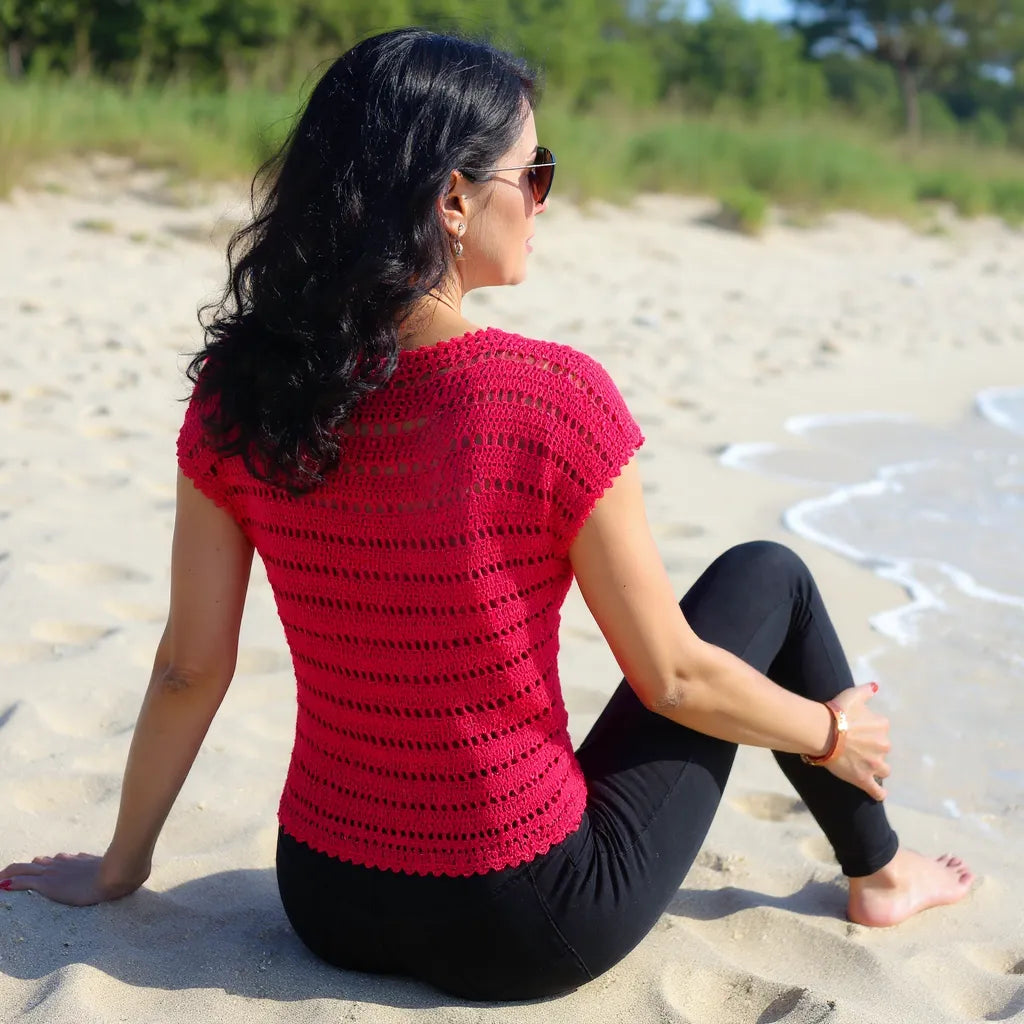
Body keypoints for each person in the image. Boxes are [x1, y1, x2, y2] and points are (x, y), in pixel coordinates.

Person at [0, 27, 972, 1002]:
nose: (544, 199)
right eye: (534, 173)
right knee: (769, 576)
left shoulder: (240, 392)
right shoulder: (550, 397)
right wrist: (828, 733)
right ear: (453, 200)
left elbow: (188, 666)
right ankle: (881, 873)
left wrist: (118, 867)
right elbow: (673, 677)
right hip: (525, 918)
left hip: (327, 896)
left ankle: (880, 869)